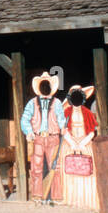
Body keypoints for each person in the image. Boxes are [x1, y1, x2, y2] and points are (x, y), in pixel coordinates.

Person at [20, 71, 65, 204]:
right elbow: (25, 119)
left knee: (55, 167)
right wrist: (28, 132)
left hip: (53, 138)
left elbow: (61, 118)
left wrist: (63, 127)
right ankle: (37, 196)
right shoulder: (32, 103)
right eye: (43, 85)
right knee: (36, 167)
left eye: (47, 85)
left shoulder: (57, 103)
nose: (45, 87)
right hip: (38, 138)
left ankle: (56, 196)